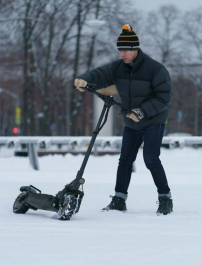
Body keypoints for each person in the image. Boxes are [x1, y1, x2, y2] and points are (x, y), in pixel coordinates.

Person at [74, 24, 173, 215]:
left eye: (126, 50)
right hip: (131, 122)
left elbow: (164, 97)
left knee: (151, 158)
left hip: (153, 120)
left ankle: (165, 199)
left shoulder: (155, 69)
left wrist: (142, 111)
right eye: (120, 50)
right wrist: (84, 79)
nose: (123, 54)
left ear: (136, 49)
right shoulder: (119, 67)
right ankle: (119, 199)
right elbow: (100, 74)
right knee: (125, 160)